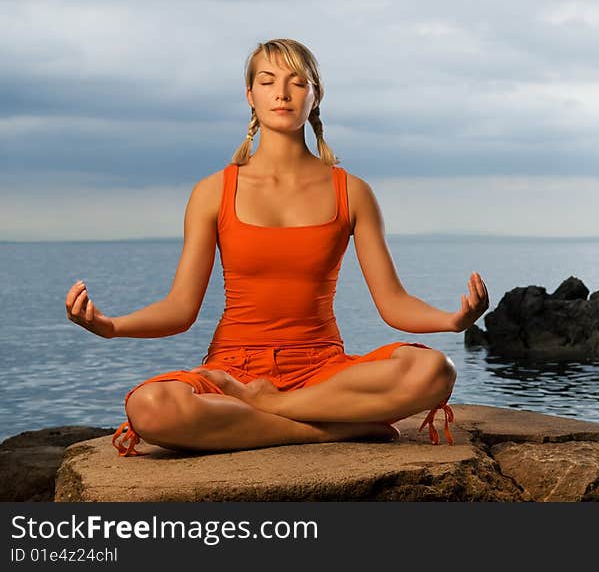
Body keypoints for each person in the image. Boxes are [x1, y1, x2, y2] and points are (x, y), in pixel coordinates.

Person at [64, 38, 489, 457]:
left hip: (323, 368)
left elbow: (393, 302)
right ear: (250, 95)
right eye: (267, 81)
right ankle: (327, 431)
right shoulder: (213, 191)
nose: (282, 93)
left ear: (316, 96)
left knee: (434, 370)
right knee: (150, 408)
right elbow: (180, 308)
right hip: (233, 368)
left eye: (297, 82)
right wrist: (111, 326)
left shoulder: (352, 192)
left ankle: (274, 408)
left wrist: (453, 321)